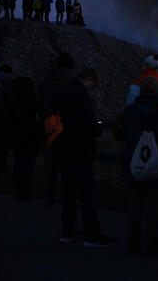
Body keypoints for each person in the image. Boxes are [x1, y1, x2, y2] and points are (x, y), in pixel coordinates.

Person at [55, 68, 115, 247]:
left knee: (68, 192)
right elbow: (89, 124)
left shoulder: (64, 92)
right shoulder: (82, 96)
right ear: (88, 79)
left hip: (65, 149)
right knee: (86, 194)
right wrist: (98, 130)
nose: (91, 88)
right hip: (81, 151)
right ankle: (92, 235)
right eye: (92, 85)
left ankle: (68, 230)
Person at [121, 76, 158, 256]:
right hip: (156, 165)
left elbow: (118, 133)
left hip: (134, 164)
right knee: (152, 207)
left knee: (134, 206)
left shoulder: (129, 111)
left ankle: (133, 243)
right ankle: (152, 242)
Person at [38, 51, 75, 205]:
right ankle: (67, 196)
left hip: (48, 124)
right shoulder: (71, 81)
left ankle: (50, 195)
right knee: (68, 162)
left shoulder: (46, 80)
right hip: (66, 125)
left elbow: (39, 102)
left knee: (51, 161)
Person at [7, 76, 42, 200]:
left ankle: (18, 189)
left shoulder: (13, 102)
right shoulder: (33, 102)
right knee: (28, 163)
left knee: (19, 162)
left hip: (17, 135)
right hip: (31, 136)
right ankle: (25, 190)